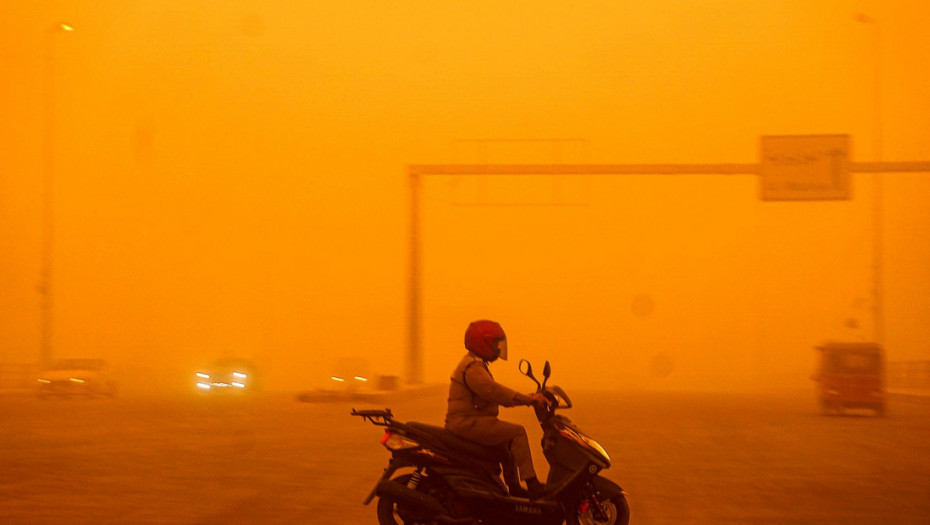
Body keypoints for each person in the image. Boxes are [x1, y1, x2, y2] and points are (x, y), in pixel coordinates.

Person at [444, 319, 551, 498]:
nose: (499, 349)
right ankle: (532, 484)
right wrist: (528, 400)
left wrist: (528, 398)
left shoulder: (475, 364)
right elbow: (494, 391)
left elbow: (493, 391)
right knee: (517, 433)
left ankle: (514, 488)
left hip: (472, 421)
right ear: (483, 343)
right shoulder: (472, 367)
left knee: (506, 446)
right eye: (495, 344)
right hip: (465, 423)